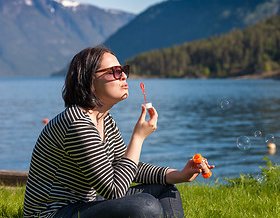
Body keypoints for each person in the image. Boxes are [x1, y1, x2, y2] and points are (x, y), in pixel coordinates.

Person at [23, 46, 214, 218]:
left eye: (123, 70)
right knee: (146, 207)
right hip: (52, 213)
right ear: (89, 80)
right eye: (114, 72)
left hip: (83, 203)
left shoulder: (104, 119)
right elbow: (113, 190)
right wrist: (138, 138)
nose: (123, 75)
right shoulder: (76, 123)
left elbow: (126, 168)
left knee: (166, 190)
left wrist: (178, 174)